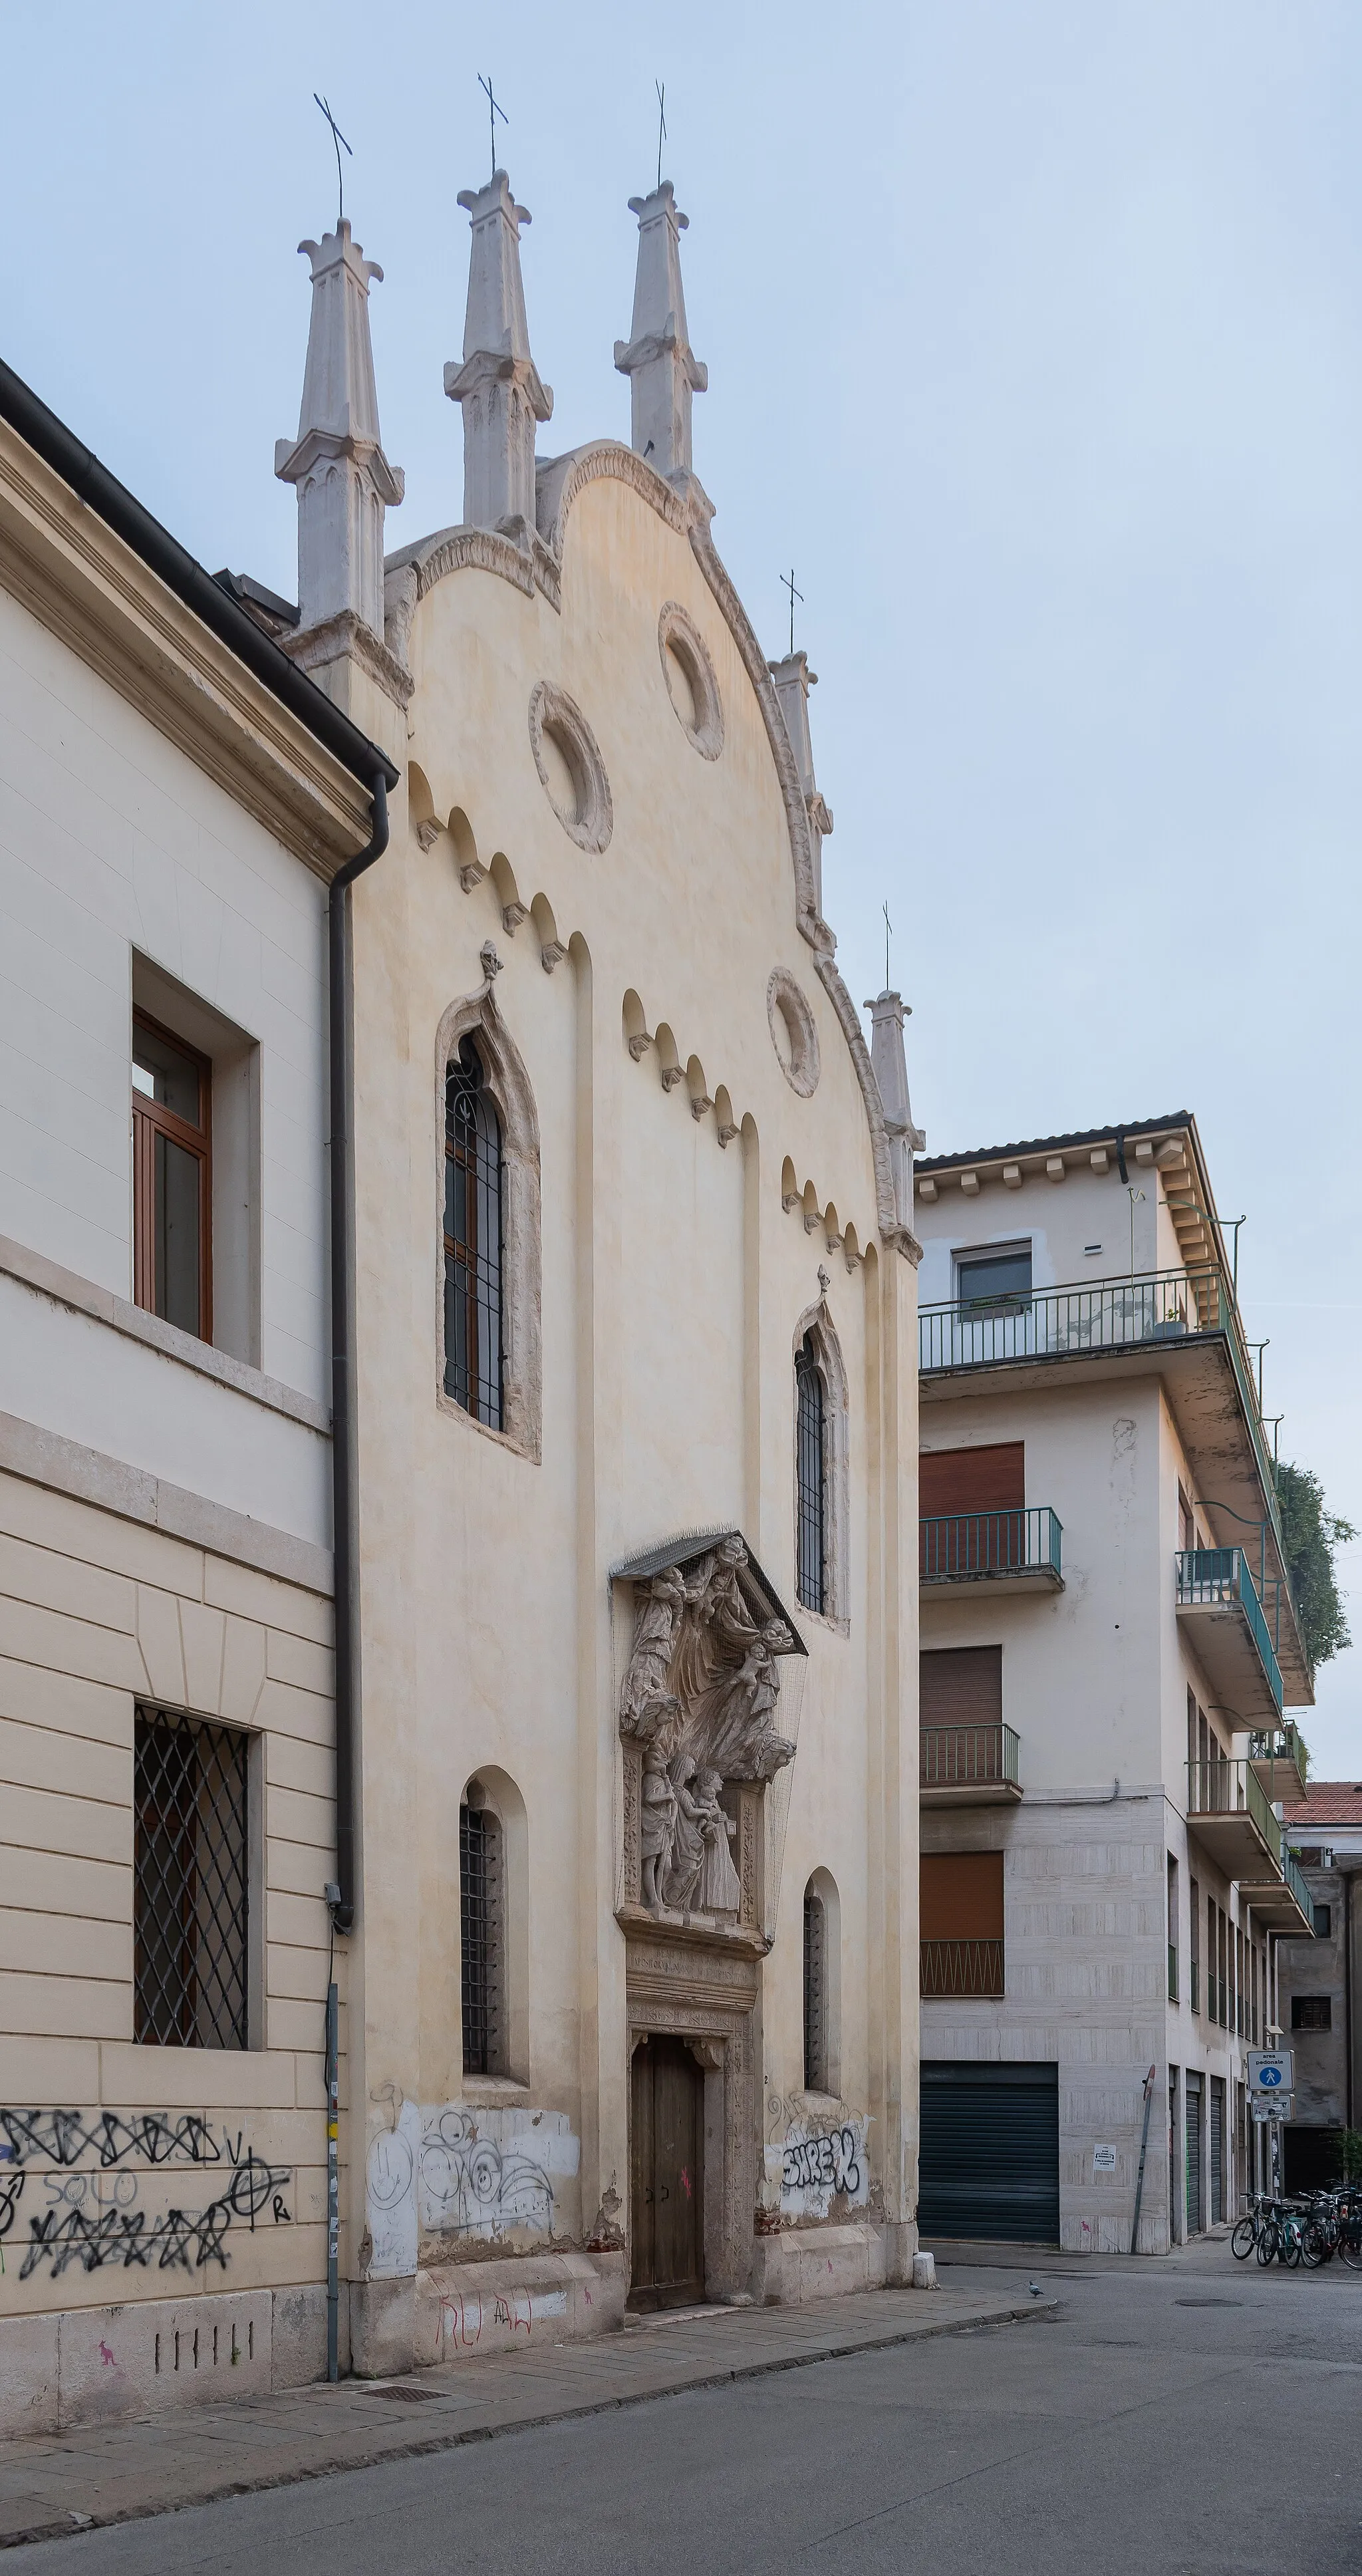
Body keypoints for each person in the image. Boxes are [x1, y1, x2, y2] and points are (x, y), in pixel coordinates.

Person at [694, 1769, 741, 1918]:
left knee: (730, 1880)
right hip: (711, 1848)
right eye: (718, 1779)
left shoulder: (716, 1803)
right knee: (716, 1876)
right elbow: (696, 1827)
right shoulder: (701, 1802)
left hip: (721, 1846)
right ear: (708, 1782)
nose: (721, 1782)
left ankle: (723, 1911)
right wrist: (714, 1820)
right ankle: (711, 1909)